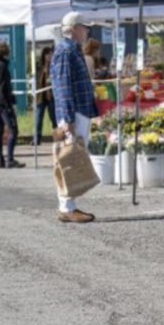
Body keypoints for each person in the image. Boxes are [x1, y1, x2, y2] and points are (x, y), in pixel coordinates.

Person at [51, 12, 99, 223]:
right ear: (73, 28)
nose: (86, 31)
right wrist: (68, 117)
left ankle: (68, 205)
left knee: (72, 157)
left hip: (78, 110)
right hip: (74, 112)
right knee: (70, 158)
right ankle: (68, 206)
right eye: (83, 27)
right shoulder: (65, 51)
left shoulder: (71, 50)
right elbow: (63, 88)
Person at [0, 41, 24, 168]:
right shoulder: (2, 66)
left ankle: (0, 160)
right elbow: (4, 87)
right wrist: (9, 103)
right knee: (13, 130)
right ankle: (10, 159)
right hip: (3, 103)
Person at [35, 46, 55, 147]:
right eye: (47, 53)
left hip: (51, 95)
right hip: (41, 95)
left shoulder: (54, 65)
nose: (49, 56)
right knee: (38, 117)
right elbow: (37, 80)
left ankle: (57, 137)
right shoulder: (39, 66)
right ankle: (37, 138)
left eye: (50, 53)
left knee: (53, 117)